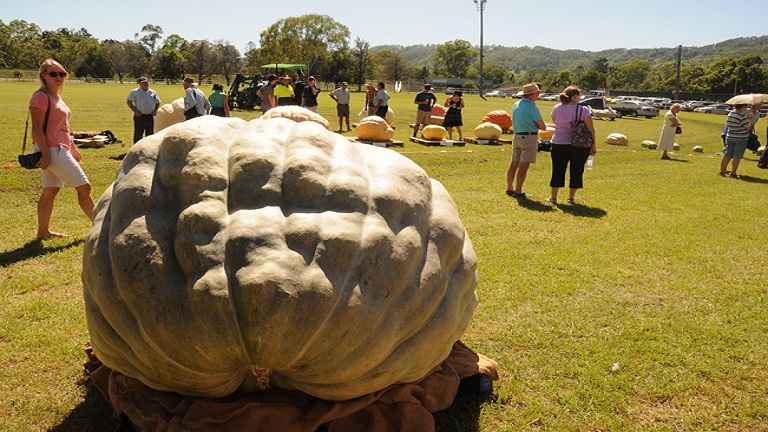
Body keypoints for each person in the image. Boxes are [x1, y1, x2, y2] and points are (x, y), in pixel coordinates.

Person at [29, 59, 95, 239]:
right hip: (51, 150)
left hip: (59, 148)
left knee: (50, 191)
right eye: (53, 74)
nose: (59, 77)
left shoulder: (56, 96)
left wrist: (72, 148)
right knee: (84, 187)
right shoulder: (40, 97)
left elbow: (63, 127)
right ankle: (102, 228)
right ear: (44, 75)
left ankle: (43, 232)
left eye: (62, 74)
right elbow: (36, 128)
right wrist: (45, 154)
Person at [547, 86, 597, 204]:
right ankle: (571, 198)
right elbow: (590, 129)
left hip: (559, 142)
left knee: (557, 170)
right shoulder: (583, 110)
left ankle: (553, 197)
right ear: (574, 96)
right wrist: (593, 145)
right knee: (577, 170)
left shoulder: (556, 108)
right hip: (579, 144)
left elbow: (555, 121)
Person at [506, 83, 546, 199]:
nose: (538, 95)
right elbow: (542, 126)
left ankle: (509, 188)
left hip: (517, 136)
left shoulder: (516, 104)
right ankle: (518, 190)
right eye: (537, 93)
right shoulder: (532, 107)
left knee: (514, 164)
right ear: (533, 94)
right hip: (529, 138)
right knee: (524, 165)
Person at [719, 103, 753, 179]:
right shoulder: (742, 117)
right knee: (737, 156)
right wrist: (750, 120)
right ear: (743, 107)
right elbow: (749, 128)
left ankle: (722, 170)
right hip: (741, 138)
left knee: (727, 154)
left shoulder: (731, 114)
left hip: (730, 136)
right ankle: (733, 173)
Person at [126, 76, 161, 144]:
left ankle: (149, 147)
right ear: (139, 83)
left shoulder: (152, 92)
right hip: (140, 116)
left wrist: (155, 110)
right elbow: (129, 101)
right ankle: (136, 147)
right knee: (138, 134)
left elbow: (158, 102)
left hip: (150, 116)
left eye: (147, 82)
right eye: (144, 83)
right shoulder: (135, 92)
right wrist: (135, 111)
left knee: (150, 133)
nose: (146, 84)